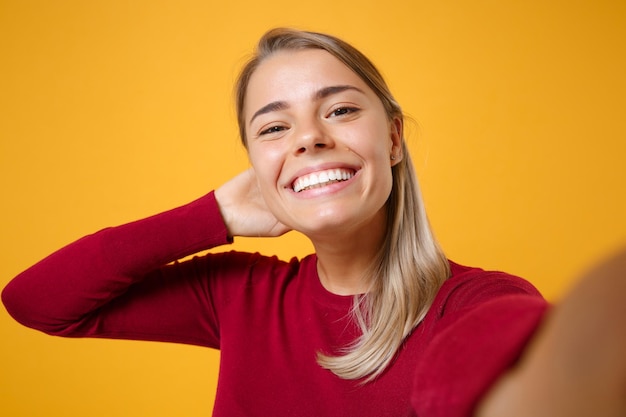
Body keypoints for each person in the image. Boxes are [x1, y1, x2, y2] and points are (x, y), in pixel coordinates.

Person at [2, 28, 624, 417]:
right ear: (255, 163)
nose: (309, 139)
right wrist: (210, 214)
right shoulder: (239, 296)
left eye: (342, 110)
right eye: (274, 127)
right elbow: (38, 302)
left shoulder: (475, 303)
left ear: (395, 139)